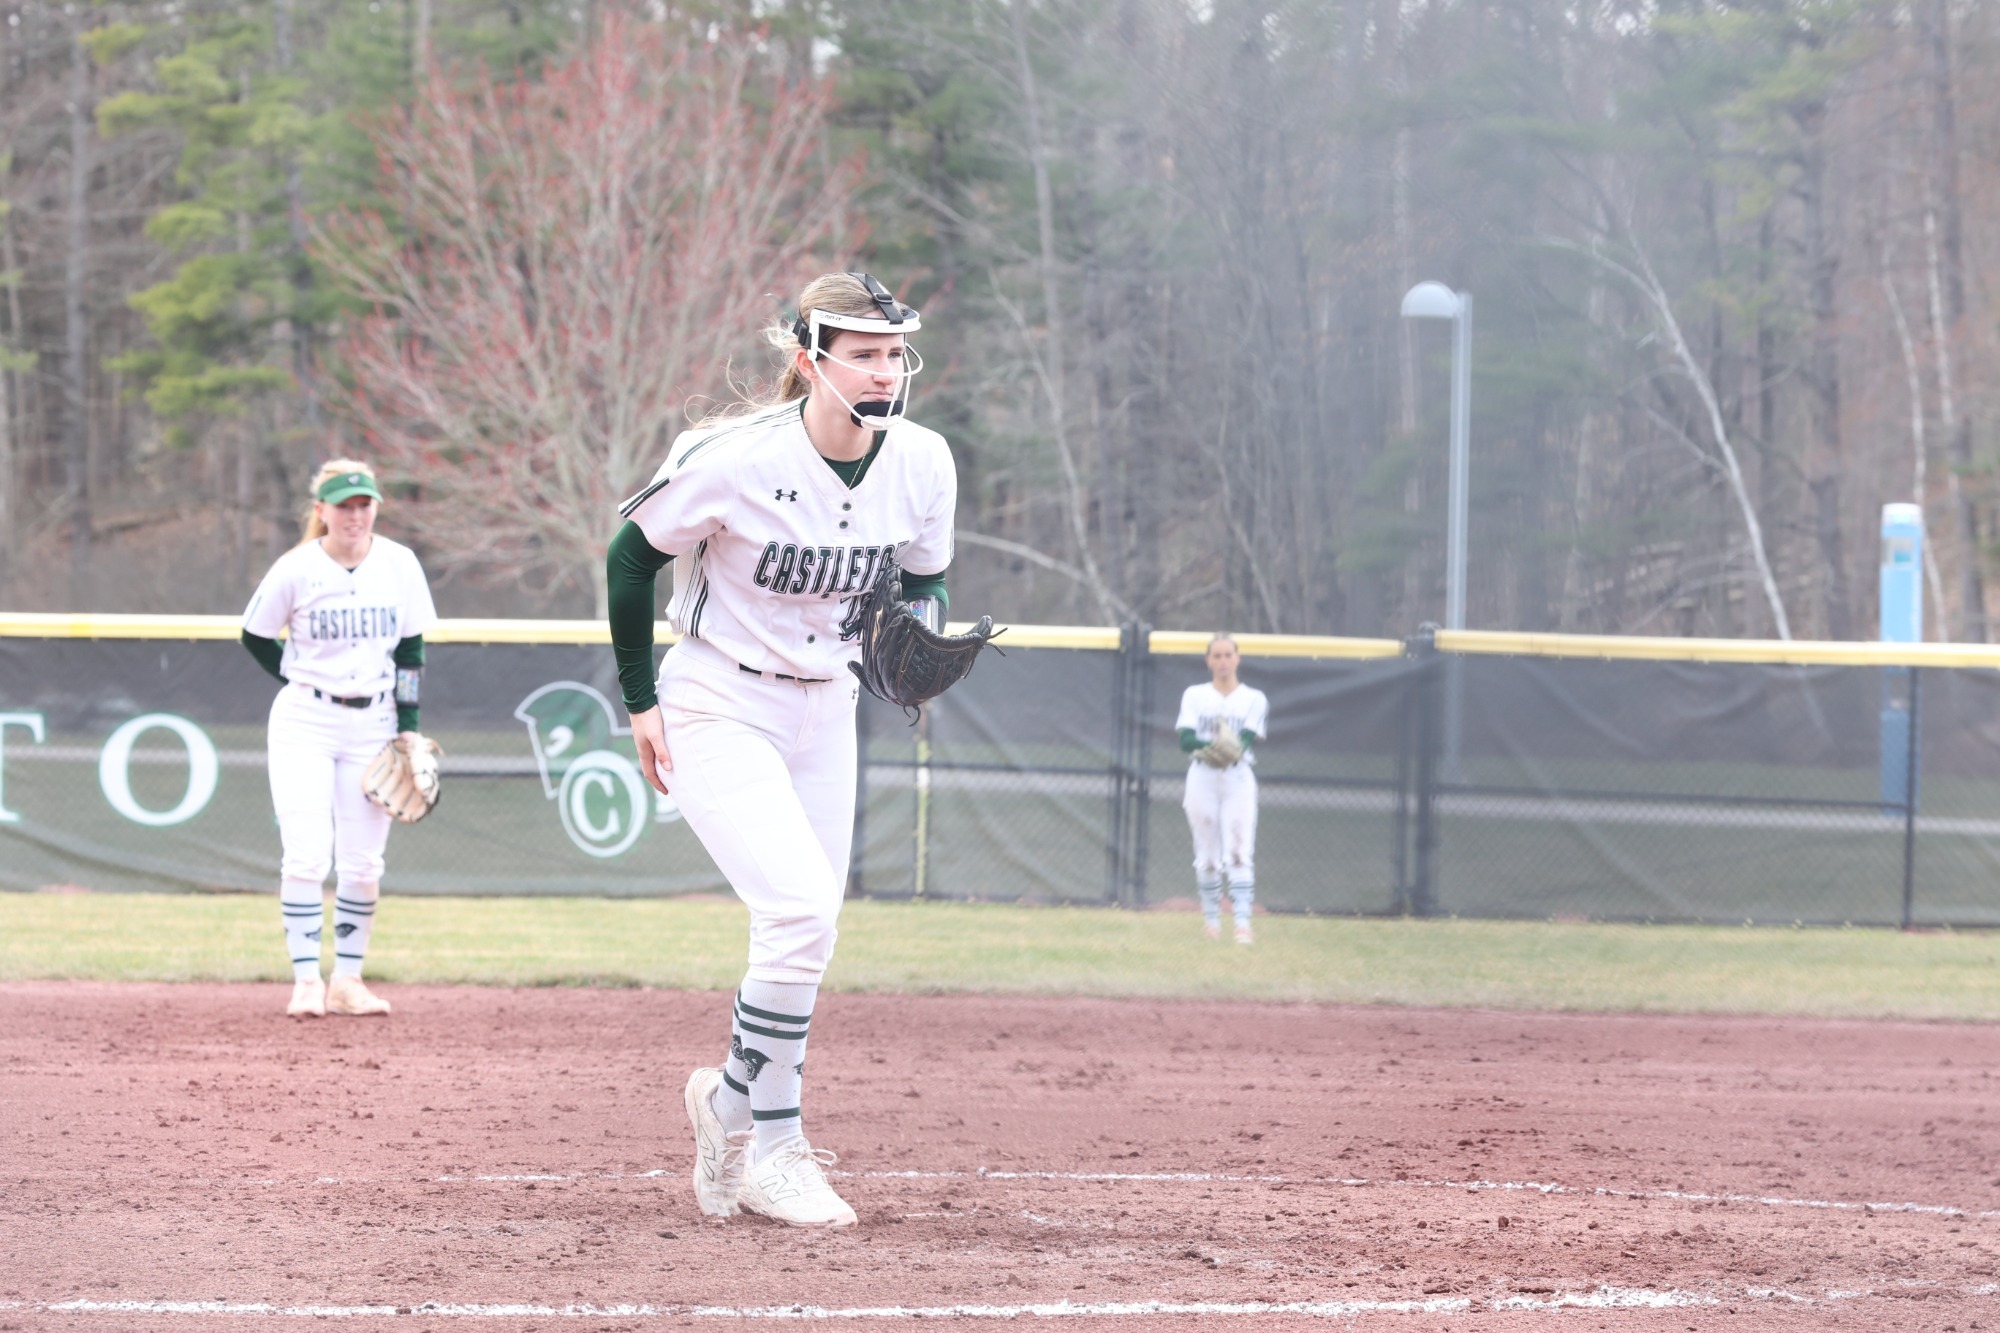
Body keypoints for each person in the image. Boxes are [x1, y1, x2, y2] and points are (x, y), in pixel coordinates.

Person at [606, 271, 956, 1229]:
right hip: (719, 700)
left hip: (826, 710)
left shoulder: (923, 461)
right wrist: (641, 700)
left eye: (894, 354)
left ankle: (726, 1106)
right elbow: (631, 555)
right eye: (864, 354)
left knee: (807, 929)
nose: (885, 372)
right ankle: (774, 1148)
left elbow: (924, 577)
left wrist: (920, 634)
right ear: (811, 360)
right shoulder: (732, 458)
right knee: (799, 909)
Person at [240, 460, 437, 1018]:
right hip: (305, 720)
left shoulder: (399, 564)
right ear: (321, 511)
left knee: (362, 863)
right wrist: (296, 674)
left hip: (373, 723)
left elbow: (411, 650)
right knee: (305, 855)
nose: (355, 515)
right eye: (343, 505)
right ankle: (306, 982)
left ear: (375, 507)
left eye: (364, 504)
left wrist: (408, 725)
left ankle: (347, 980)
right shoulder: (296, 568)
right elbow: (254, 636)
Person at [1176, 634, 1268, 943]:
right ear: (1208, 661)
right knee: (1208, 856)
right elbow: (1185, 740)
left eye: (1228, 655)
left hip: (1237, 779)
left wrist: (1231, 747)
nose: (1223, 661)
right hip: (1202, 776)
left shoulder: (1254, 698)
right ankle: (1211, 923)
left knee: (1239, 852)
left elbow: (1244, 743)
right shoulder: (1195, 695)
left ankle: (1242, 923)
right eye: (1216, 656)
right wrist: (1213, 745)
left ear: (1238, 658)